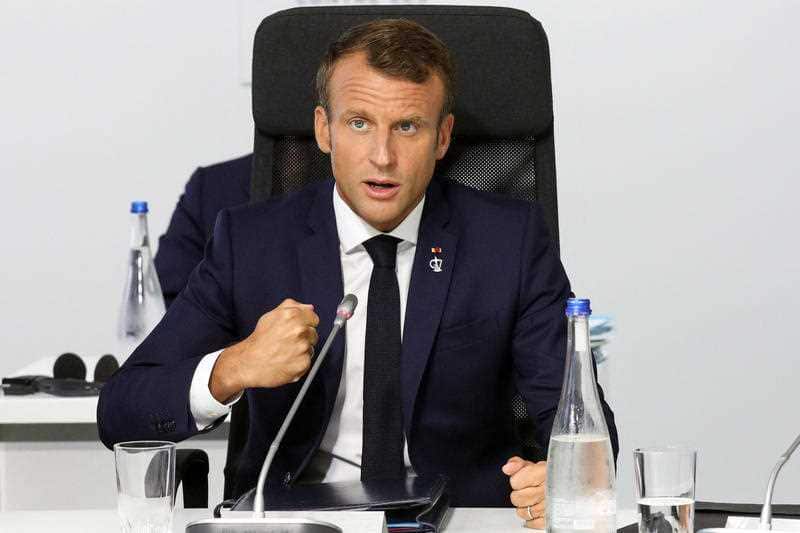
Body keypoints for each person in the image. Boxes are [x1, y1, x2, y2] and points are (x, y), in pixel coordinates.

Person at [98, 18, 619, 527]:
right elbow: (120, 411)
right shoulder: (250, 242)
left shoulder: (508, 241)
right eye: (359, 123)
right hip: (293, 518)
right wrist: (231, 368)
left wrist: (564, 475)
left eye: (408, 127)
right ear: (324, 129)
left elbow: (584, 423)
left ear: (442, 137)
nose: (383, 157)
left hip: (460, 518)